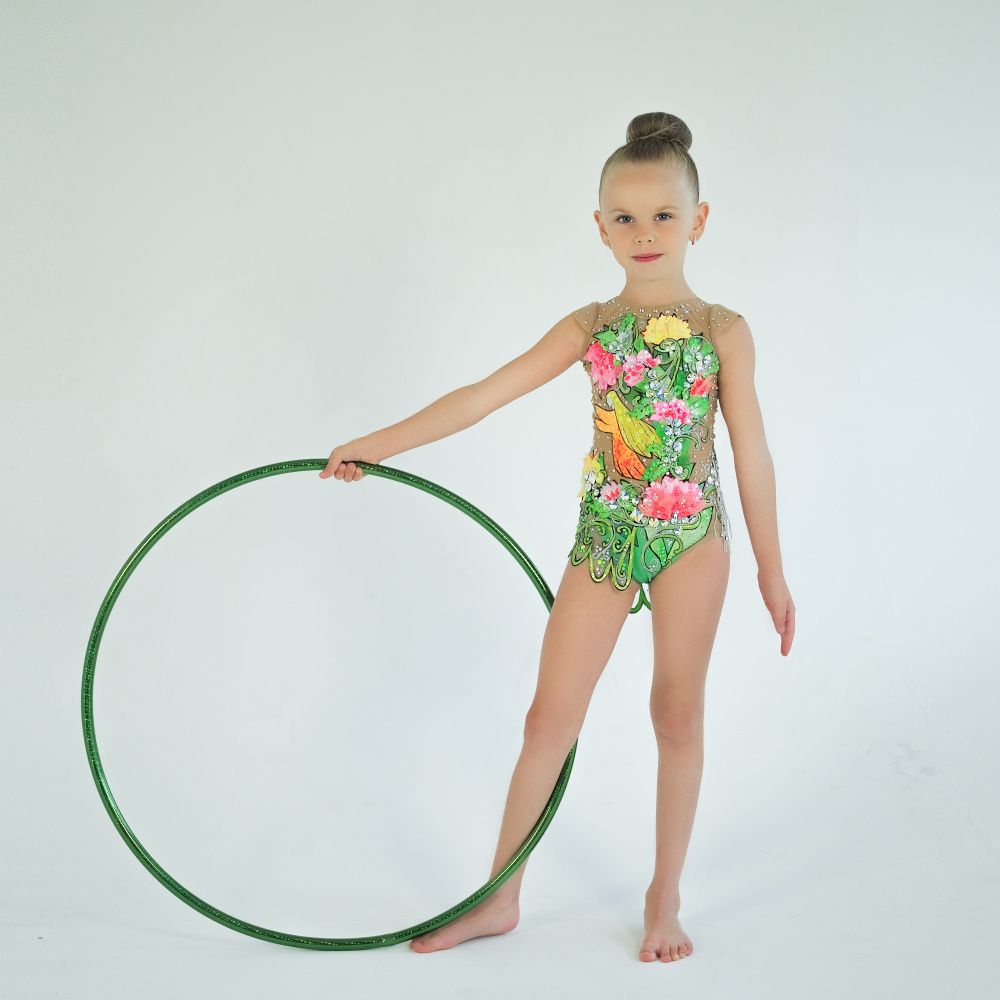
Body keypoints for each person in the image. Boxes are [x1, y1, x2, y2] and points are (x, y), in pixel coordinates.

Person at [319, 111, 795, 963]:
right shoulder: (589, 326)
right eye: (624, 217)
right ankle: (499, 896)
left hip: (692, 537)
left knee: (676, 713)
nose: (644, 233)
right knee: (548, 719)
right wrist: (376, 445)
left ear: (698, 220)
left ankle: (664, 897)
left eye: (662, 215)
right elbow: (481, 395)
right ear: (600, 227)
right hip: (605, 536)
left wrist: (772, 569)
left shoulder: (724, 330)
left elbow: (751, 451)